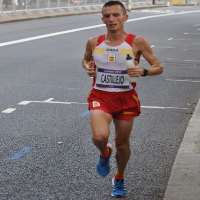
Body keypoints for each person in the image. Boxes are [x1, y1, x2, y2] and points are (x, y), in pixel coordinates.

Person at [82, 0, 163, 197]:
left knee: (122, 144)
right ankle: (104, 152)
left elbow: (158, 66)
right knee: (99, 136)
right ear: (102, 19)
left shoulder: (137, 42)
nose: (112, 19)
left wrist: (143, 71)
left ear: (125, 17)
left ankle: (119, 177)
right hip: (100, 95)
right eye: (107, 16)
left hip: (126, 98)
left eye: (116, 15)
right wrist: (88, 67)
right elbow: (85, 59)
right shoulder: (94, 42)